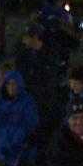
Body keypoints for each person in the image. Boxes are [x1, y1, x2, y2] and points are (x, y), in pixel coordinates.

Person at [16, 23, 62, 158]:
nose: (24, 41)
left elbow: (50, 79)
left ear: (35, 38)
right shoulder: (24, 55)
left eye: (27, 37)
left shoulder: (50, 55)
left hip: (44, 102)